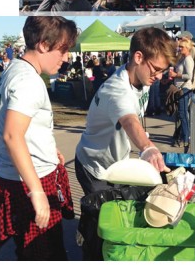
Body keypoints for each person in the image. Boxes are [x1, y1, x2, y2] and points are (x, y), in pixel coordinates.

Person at [0, 16, 78, 260]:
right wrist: (37, 192)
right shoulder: (28, 80)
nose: (66, 57)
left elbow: (10, 125)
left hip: (10, 174)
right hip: (30, 180)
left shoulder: (13, 70)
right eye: (63, 49)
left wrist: (49, 150)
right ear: (43, 45)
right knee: (43, 254)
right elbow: (11, 134)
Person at [74, 27, 176, 195]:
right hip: (95, 167)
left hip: (116, 163)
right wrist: (148, 148)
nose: (159, 76)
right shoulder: (117, 90)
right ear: (138, 57)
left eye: (163, 71)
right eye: (157, 69)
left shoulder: (141, 78)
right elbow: (129, 120)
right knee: (101, 217)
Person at [168, 39, 195, 148]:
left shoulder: (188, 59)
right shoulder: (182, 58)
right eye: (179, 47)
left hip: (184, 89)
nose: (180, 48)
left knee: (183, 115)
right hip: (180, 89)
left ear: (187, 48)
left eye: (182, 47)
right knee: (181, 114)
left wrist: (175, 75)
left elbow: (189, 76)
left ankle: (186, 138)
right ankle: (182, 137)